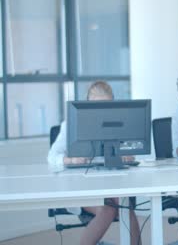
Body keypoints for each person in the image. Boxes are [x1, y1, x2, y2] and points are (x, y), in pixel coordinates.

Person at [47, 81, 141, 245]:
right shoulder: (70, 124)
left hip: (111, 186)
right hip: (81, 188)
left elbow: (133, 147)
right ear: (87, 103)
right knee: (111, 206)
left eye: (107, 106)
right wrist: (72, 159)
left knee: (123, 204)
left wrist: (127, 154)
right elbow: (52, 157)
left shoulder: (117, 123)